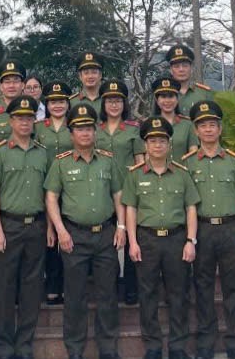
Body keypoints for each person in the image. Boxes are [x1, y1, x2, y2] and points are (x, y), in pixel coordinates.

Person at [44, 103, 125, 359]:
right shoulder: (61, 163)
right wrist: (60, 231)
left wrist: (121, 226)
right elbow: (51, 198)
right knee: (75, 296)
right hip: (74, 236)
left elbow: (118, 194)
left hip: (105, 234)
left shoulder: (108, 161)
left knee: (107, 294)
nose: (85, 133)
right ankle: (75, 349)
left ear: (95, 131)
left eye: (89, 128)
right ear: (71, 134)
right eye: (79, 129)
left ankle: (108, 349)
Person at [124, 116, 199, 359]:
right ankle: (153, 347)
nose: (157, 145)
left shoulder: (182, 174)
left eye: (162, 141)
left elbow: (190, 208)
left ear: (169, 144)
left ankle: (178, 346)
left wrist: (190, 240)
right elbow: (131, 209)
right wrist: (133, 242)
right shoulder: (135, 175)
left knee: (179, 294)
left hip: (176, 240)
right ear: (145, 145)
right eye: (153, 141)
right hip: (147, 240)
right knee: (147, 294)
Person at [0, 95, 51, 359]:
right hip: (8, 226)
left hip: (36, 226)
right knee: (4, 288)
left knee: (31, 289)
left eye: (29, 118)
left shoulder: (42, 153)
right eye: (19, 118)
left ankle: (24, 345)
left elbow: (49, 194)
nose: (24, 122)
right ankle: (3, 346)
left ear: (34, 121)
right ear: (10, 121)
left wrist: (49, 227)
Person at [184, 100, 235, 359]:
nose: (208, 130)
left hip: (230, 229)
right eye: (203, 126)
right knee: (203, 288)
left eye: (212, 125)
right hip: (202, 231)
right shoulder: (188, 163)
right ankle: (205, 344)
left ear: (220, 129)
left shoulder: (234, 161)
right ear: (196, 130)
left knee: (232, 289)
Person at [97, 79, 144, 305]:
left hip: (128, 192)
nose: (114, 105)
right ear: (103, 104)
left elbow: (140, 161)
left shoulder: (133, 130)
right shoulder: (95, 130)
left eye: (118, 101)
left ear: (124, 104)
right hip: (103, 192)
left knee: (132, 240)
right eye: (109, 101)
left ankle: (132, 290)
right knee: (108, 244)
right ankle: (111, 287)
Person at [36, 80, 75, 306]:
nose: (57, 105)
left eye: (61, 101)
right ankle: (52, 285)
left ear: (68, 103)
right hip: (46, 188)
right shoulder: (39, 128)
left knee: (71, 238)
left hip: (72, 188)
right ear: (47, 104)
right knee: (50, 239)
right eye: (53, 101)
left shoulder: (76, 125)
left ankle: (70, 285)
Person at [150, 76, 200, 160]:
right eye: (163, 97)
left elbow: (193, 152)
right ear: (157, 100)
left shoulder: (187, 125)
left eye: (171, 96)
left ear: (177, 99)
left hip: (183, 168)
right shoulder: (149, 125)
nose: (167, 101)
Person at [0, 59, 28, 145]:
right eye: (7, 82)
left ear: (23, 85)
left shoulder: (31, 112)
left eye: (16, 81)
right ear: (1, 86)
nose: (11, 85)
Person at [165, 43, 212, 118]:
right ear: (171, 70)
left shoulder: (204, 93)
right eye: (176, 66)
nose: (181, 70)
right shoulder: (162, 94)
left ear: (191, 68)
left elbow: (213, 121)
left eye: (185, 66)